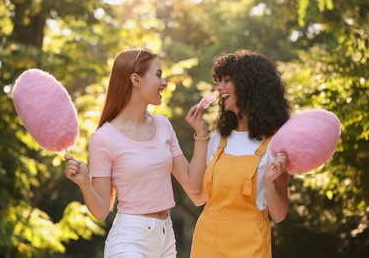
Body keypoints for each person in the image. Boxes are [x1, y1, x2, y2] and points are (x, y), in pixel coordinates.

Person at [64, 47, 208, 258]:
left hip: (165, 238)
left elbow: (193, 185)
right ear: (136, 79)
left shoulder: (163, 125)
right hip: (130, 239)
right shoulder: (103, 138)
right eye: (158, 75)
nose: (164, 82)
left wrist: (201, 134)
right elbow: (102, 211)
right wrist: (85, 182)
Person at [188, 49, 291, 258]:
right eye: (219, 81)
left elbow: (279, 215)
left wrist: (271, 181)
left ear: (249, 86)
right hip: (207, 241)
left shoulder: (277, 144)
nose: (219, 88)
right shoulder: (218, 139)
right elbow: (196, 191)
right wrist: (200, 134)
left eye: (226, 80)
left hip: (250, 245)